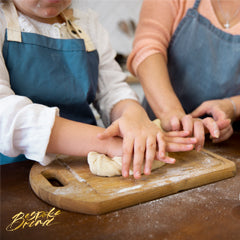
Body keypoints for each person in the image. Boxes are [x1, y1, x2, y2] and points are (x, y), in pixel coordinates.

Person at [0, 0, 197, 179]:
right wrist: (107, 143)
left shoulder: (86, 24)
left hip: (83, 170)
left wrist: (134, 115)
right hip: (15, 174)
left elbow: (112, 91)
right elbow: (5, 115)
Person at [127, 0, 240, 150]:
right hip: (159, 138)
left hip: (229, 145)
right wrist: (171, 113)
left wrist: (233, 107)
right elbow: (147, 49)